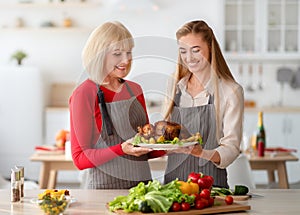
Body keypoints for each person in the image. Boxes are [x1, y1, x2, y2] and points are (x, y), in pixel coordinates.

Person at [69, 21, 161, 189]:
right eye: (117, 53)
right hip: (104, 192)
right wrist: (121, 149)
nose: (126, 60)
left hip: (143, 190)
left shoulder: (135, 89)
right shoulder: (84, 94)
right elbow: (80, 159)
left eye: (129, 52)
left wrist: (172, 146)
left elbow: (143, 147)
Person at [163, 20, 244, 188]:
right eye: (183, 51)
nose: (189, 58)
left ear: (210, 48)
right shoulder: (174, 86)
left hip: (210, 188)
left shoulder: (230, 91)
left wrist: (202, 153)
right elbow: (165, 137)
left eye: (196, 50)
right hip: (172, 187)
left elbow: (232, 147)